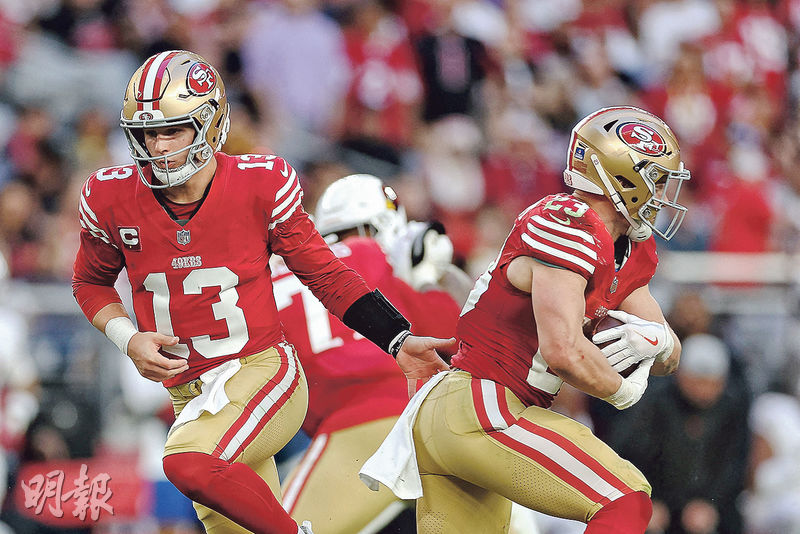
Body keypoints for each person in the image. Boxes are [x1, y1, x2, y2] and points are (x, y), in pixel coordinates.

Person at [71, 50, 452, 534]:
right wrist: (128, 338)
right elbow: (90, 281)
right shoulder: (110, 196)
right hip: (190, 393)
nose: (157, 146)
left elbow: (327, 276)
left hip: (262, 371)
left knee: (187, 461)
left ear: (210, 125)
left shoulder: (260, 182)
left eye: (172, 130)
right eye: (146, 133)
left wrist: (396, 339)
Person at [361, 106, 690, 534]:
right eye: (657, 180)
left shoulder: (623, 247)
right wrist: (622, 390)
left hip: (462, 414)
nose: (662, 194)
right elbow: (562, 351)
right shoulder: (570, 224)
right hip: (485, 406)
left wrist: (658, 344)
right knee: (625, 499)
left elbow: (669, 350)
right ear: (621, 178)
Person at [274, 174, 467, 533]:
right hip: (434, 422)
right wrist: (429, 279)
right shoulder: (376, 255)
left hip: (357, 432)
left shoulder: (279, 272)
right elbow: (456, 339)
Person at [608, 333, 749, 534]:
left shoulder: (732, 407)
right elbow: (628, 451)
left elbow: (734, 462)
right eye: (698, 382)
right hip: (655, 496)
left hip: (708, 503)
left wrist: (711, 502)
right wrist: (644, 497)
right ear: (681, 376)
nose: (704, 391)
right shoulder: (654, 402)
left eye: (712, 384)